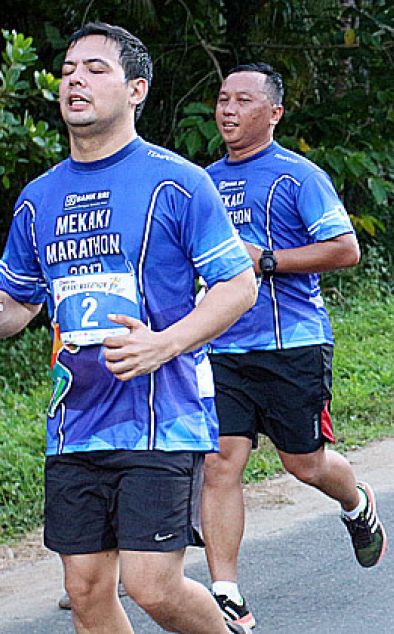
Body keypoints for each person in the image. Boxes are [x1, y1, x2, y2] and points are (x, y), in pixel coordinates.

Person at [0, 22, 257, 634]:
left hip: (160, 420)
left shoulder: (177, 181)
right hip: (75, 423)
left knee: (152, 585)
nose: (74, 81)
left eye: (94, 69)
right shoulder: (39, 198)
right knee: (86, 592)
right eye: (66, 71)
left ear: (136, 89)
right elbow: (16, 305)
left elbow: (238, 285)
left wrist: (163, 343)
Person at [200, 62, 382, 630]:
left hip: (292, 343)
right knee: (219, 463)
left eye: (243, 101)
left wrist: (267, 261)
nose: (229, 110)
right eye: (223, 99)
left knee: (302, 463)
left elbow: (345, 249)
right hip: (219, 346)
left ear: (274, 112)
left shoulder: (297, 176)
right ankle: (226, 592)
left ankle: (357, 505)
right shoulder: (200, 181)